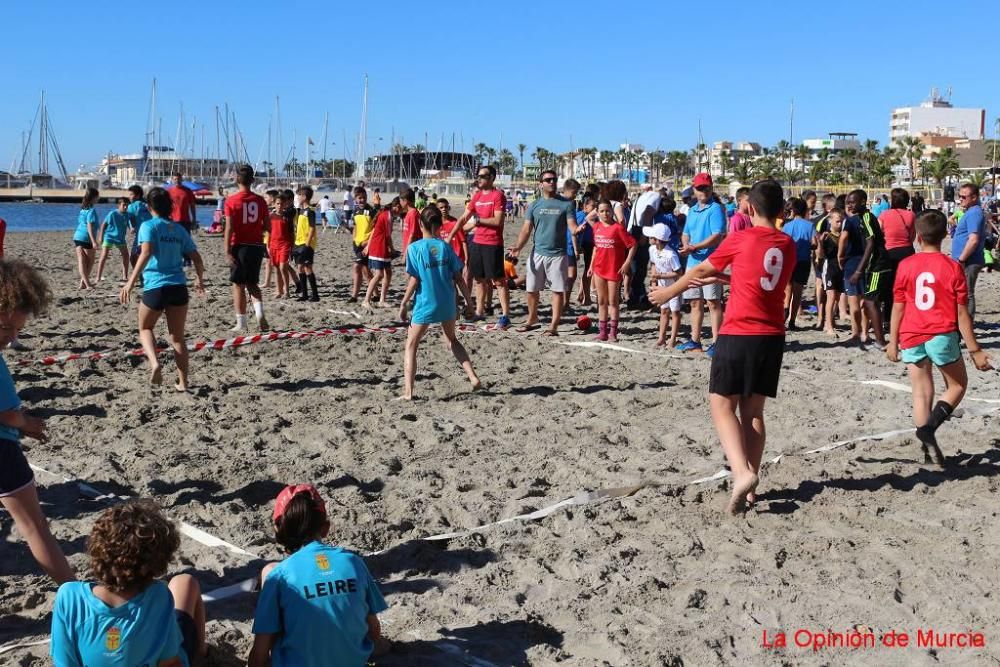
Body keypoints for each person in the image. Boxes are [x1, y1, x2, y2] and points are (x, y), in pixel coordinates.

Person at [649, 179, 796, 515]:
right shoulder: (786, 243)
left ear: (750, 208)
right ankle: (750, 487)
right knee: (753, 412)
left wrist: (669, 292)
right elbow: (767, 283)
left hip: (741, 330)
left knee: (721, 405)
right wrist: (727, 280)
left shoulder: (741, 237)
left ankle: (742, 473)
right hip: (771, 334)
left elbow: (701, 267)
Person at [886, 209, 993, 465]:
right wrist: (975, 349)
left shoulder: (906, 265)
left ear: (917, 237)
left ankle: (927, 450)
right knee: (957, 385)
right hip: (940, 333)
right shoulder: (952, 266)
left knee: (921, 393)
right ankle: (929, 429)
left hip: (911, 334)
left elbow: (897, 307)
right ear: (946, 234)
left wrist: (892, 341)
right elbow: (962, 314)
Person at [51, 501, 206, 667]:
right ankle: (203, 652)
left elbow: (64, 663)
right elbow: (169, 663)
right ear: (156, 563)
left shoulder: (68, 596)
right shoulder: (158, 596)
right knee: (185, 582)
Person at [248, 485, 388, 667]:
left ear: (278, 529)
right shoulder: (353, 562)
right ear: (326, 528)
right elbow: (373, 631)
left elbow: (259, 654)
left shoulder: (279, 575)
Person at [0, 260, 74, 584]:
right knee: (35, 526)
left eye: (17, 330)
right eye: (6, 329)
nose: (11, 337)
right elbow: (6, 413)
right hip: (3, 450)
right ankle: (74, 595)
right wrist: (24, 423)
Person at [120, 187, 206, 390]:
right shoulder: (179, 229)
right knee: (177, 337)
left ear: (149, 207)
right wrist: (200, 279)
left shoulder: (148, 226)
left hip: (156, 286)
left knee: (145, 328)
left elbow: (146, 253)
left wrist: (130, 282)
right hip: (178, 286)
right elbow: (197, 258)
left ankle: (155, 362)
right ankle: (183, 383)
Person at [397, 206, 481, 400]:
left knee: (411, 345)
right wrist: (469, 304)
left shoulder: (414, 248)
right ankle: (473, 377)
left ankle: (408, 393)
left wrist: (403, 303)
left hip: (426, 303)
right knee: (451, 339)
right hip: (447, 302)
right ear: (439, 225)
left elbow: (415, 279)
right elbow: (459, 278)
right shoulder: (445, 246)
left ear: (420, 224)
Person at [511, 170, 577, 336]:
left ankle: (553, 326)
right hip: (537, 252)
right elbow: (526, 229)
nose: (552, 182)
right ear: (541, 184)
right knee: (531, 290)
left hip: (558, 254)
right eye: (548, 180)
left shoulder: (566, 204)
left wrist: (577, 230)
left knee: (557, 290)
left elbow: (572, 226)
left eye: (554, 179)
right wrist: (518, 247)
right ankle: (532, 319)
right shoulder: (534, 205)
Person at [451, 166, 510, 329]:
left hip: (493, 242)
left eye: (483, 176)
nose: (479, 179)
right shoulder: (476, 196)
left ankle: (505, 315)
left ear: (491, 177)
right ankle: (479, 312)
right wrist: (451, 235)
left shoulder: (498, 195)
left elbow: (498, 221)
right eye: (478, 176)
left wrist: (478, 221)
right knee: (479, 280)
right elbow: (463, 218)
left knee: (498, 281)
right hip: (477, 241)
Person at [679, 172, 726, 356]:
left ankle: (716, 343)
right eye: (699, 188)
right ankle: (695, 341)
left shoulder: (715, 209)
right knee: (695, 302)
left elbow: (717, 236)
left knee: (713, 302)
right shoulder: (692, 210)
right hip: (693, 261)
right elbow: (686, 232)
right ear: (694, 190)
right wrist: (686, 245)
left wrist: (693, 246)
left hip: (710, 262)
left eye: (705, 187)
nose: (703, 191)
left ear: (711, 188)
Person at [223, 165, 269, 332]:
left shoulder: (231, 201)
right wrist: (257, 229)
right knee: (253, 283)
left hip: (239, 245)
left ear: (237, 180)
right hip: (256, 246)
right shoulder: (260, 200)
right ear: (252, 181)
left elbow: (229, 228)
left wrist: (227, 250)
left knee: (238, 285)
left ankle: (241, 322)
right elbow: (267, 226)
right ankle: (259, 313)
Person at [846, 189, 889, 348]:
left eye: (853, 202)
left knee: (871, 302)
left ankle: (881, 341)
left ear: (863, 202)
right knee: (872, 301)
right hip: (875, 264)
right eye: (848, 202)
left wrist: (858, 270)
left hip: (877, 264)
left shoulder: (866, 217)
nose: (850, 205)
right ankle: (879, 338)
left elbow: (871, 243)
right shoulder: (861, 217)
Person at [589, 199, 637, 342]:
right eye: (602, 211)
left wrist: (627, 262)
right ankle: (602, 332)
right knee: (601, 301)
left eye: (608, 210)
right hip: (599, 269)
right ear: (597, 213)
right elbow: (596, 248)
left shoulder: (618, 228)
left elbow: (633, 245)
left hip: (614, 270)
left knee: (613, 301)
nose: (605, 214)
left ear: (612, 211)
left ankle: (613, 333)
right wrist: (591, 266)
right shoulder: (596, 227)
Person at [880, 188, 917, 322]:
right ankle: (906, 317)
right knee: (906, 286)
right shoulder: (911, 215)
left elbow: (879, 234)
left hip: (889, 252)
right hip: (906, 251)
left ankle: (887, 318)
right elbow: (912, 236)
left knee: (889, 287)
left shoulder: (884, 215)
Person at [951, 183, 987, 321]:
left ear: (974, 197)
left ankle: (967, 325)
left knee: (966, 294)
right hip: (966, 260)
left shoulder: (974, 213)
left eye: (964, 197)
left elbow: (973, 240)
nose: (961, 199)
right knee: (962, 293)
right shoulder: (970, 212)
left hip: (969, 261)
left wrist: (961, 260)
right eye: (959, 196)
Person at [781, 197, 816, 330]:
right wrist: (808, 247)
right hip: (803, 261)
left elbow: (783, 244)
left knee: (787, 289)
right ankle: (792, 321)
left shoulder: (787, 226)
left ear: (793, 211)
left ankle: (784, 314)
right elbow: (814, 243)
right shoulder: (810, 225)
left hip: (789, 260)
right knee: (798, 292)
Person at [645, 223, 682, 347]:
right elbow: (654, 264)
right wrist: (654, 279)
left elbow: (678, 273)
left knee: (675, 312)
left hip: (673, 287)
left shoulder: (671, 254)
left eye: (651, 237)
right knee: (664, 311)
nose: (649, 238)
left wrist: (661, 276)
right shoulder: (653, 250)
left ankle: (673, 338)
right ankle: (661, 338)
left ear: (657, 240)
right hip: (661, 286)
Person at [626, 182, 661, 308]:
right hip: (641, 230)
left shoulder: (640, 198)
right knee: (640, 268)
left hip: (633, 229)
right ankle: (639, 298)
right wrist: (644, 234)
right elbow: (648, 212)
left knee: (636, 267)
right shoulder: (655, 196)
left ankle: (635, 296)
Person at [361, 197, 398, 309]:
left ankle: (382, 300)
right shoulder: (387, 215)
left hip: (381, 246)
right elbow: (387, 236)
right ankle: (366, 300)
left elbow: (375, 230)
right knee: (379, 275)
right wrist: (392, 249)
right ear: (396, 206)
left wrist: (368, 246)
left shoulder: (386, 214)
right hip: (378, 247)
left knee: (388, 273)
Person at [838, 199, 867, 344]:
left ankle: (856, 333)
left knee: (854, 301)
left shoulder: (850, 221)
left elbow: (843, 238)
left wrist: (840, 255)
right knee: (866, 301)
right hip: (867, 262)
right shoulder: (871, 218)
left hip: (852, 262)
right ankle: (865, 333)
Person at [817, 208, 846, 335]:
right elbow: (820, 255)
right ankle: (828, 325)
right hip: (829, 268)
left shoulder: (844, 235)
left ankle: (830, 321)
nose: (839, 224)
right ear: (830, 221)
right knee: (831, 296)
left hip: (841, 269)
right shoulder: (827, 236)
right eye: (837, 222)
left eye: (841, 222)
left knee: (838, 297)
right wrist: (820, 243)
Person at [810, 194, 836, 330]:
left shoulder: (838, 219)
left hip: (833, 259)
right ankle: (820, 317)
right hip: (822, 258)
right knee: (820, 286)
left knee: (833, 289)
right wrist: (818, 258)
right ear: (826, 208)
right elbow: (816, 241)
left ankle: (830, 318)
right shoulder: (820, 221)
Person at [293, 185, 320, 302]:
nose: (297, 197)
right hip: (298, 243)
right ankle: (304, 294)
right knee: (300, 268)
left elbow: (312, 229)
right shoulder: (300, 211)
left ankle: (315, 295)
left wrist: (307, 245)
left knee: (308, 268)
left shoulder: (310, 211)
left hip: (306, 244)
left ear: (304, 197)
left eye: (299, 195)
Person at [269, 190, 298, 299]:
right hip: (273, 245)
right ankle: (279, 290)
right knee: (277, 269)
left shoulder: (287, 217)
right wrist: (268, 245)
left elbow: (291, 233)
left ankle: (287, 291)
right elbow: (268, 231)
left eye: (282, 203)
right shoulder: (271, 216)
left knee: (283, 267)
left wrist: (292, 247)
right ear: (274, 204)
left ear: (285, 204)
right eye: (277, 203)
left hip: (284, 245)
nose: (280, 206)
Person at [95, 197, 131, 282]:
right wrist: (100, 236)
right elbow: (103, 224)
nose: (125, 207)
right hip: (109, 237)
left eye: (127, 205)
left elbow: (129, 225)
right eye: (124, 205)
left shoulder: (127, 215)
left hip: (120, 239)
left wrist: (132, 229)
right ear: (119, 205)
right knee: (104, 256)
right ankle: (98, 277)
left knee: (126, 255)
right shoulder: (112, 213)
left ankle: (125, 276)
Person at [349, 187, 375, 302]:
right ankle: (376, 294)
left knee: (356, 266)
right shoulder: (355, 211)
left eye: (364, 198)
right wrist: (354, 239)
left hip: (367, 245)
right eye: (359, 198)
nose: (362, 200)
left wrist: (368, 242)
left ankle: (354, 296)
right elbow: (355, 226)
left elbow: (375, 229)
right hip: (357, 244)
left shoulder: (371, 211)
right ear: (355, 199)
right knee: (366, 271)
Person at [561, 179, 582, 308]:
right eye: (574, 192)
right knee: (570, 275)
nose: (575, 195)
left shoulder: (571, 204)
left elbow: (572, 228)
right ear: (567, 190)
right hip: (563, 244)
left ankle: (566, 302)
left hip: (568, 244)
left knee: (571, 275)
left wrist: (576, 247)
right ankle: (564, 302)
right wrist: (575, 248)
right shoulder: (562, 204)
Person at [73, 187, 99, 289]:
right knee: (90, 261)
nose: (98, 198)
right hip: (85, 237)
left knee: (81, 261)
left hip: (77, 236)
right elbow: (89, 226)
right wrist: (94, 241)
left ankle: (83, 283)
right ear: (93, 198)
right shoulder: (91, 210)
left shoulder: (83, 209)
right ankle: (87, 284)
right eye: (97, 196)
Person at [575, 196, 597, 306]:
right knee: (588, 271)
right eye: (592, 206)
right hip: (586, 245)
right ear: (585, 206)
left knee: (588, 271)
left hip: (591, 245)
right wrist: (578, 247)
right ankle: (586, 297)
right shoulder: (581, 216)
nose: (594, 209)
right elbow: (576, 232)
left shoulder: (592, 217)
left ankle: (582, 295)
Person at [126, 186, 152, 275]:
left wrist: (131, 227)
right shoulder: (149, 204)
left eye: (131, 194)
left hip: (141, 235)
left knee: (134, 257)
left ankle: (139, 275)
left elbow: (127, 217)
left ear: (137, 196)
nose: (129, 197)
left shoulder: (133, 206)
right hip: (152, 233)